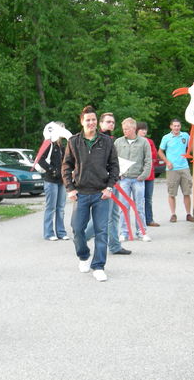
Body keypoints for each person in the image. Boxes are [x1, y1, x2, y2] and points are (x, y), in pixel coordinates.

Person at [62, 106, 120, 282]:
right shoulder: (73, 142)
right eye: (88, 119)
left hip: (101, 194)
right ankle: (84, 256)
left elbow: (114, 166)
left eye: (94, 119)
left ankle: (99, 266)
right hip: (80, 193)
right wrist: (70, 188)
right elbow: (66, 166)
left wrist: (109, 187)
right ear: (82, 121)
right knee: (77, 229)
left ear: (97, 121)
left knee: (102, 230)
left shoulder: (107, 141)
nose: (91, 122)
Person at [84, 113, 132, 255]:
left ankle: (115, 246)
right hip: (102, 183)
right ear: (101, 123)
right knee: (103, 216)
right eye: (108, 122)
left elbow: (112, 161)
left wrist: (118, 170)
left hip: (113, 180)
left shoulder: (111, 139)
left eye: (113, 122)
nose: (111, 124)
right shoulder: (97, 139)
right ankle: (81, 238)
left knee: (114, 214)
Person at [114, 118, 152, 241]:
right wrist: (116, 174)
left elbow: (148, 160)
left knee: (139, 206)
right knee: (123, 206)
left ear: (134, 129)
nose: (124, 131)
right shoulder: (118, 142)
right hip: (124, 179)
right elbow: (113, 159)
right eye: (123, 129)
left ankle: (141, 231)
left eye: (127, 129)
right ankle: (124, 232)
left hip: (138, 179)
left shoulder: (144, 142)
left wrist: (143, 176)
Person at [38, 121, 70, 241]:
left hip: (62, 180)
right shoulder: (48, 144)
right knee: (50, 207)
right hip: (51, 180)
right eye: (61, 128)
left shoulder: (62, 146)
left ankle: (61, 232)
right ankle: (49, 232)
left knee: (61, 207)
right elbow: (40, 159)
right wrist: (52, 170)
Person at [158, 119, 194, 223]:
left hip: (184, 167)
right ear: (171, 127)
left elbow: (191, 146)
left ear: (180, 126)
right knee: (172, 193)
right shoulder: (166, 138)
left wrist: (192, 149)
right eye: (174, 126)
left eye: (178, 126)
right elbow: (160, 151)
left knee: (187, 192)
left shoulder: (185, 136)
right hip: (172, 169)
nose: (176, 128)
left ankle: (188, 214)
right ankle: (173, 214)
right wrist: (167, 162)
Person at [136, 122, 160, 227]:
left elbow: (154, 155)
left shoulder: (150, 142)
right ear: (137, 130)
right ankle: (139, 220)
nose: (144, 131)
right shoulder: (134, 142)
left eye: (145, 129)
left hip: (149, 175)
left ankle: (149, 219)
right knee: (138, 199)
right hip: (138, 175)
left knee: (148, 198)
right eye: (142, 129)